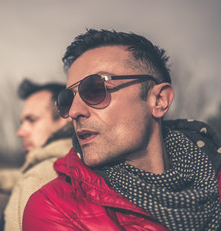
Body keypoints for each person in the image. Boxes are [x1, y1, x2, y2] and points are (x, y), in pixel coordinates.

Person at [23, 29, 221, 231]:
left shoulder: (213, 173)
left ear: (159, 100)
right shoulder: (54, 208)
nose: (74, 111)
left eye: (95, 89)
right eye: (67, 99)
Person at [0, 79, 72, 231]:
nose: (20, 132)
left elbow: (35, 176)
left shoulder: (37, 179)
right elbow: (24, 174)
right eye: (22, 122)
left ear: (66, 116)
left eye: (32, 120)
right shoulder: (71, 164)